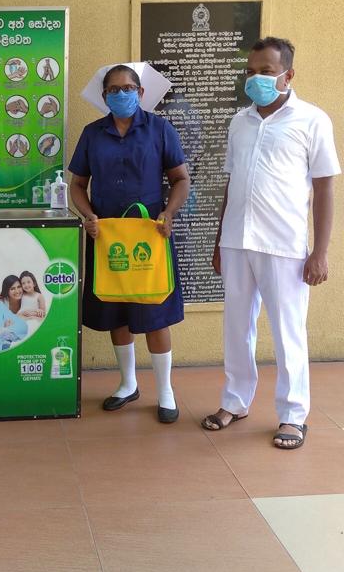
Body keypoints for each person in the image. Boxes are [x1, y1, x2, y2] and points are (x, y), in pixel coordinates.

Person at [201, 37, 341, 449]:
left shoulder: (312, 120)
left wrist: (320, 251)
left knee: (287, 331)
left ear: (288, 75)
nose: (256, 78)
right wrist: (218, 240)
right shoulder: (239, 121)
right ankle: (236, 401)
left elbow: (325, 189)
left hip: (284, 245)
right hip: (236, 241)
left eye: (265, 71)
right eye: (250, 71)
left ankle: (293, 415)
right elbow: (232, 182)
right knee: (236, 327)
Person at [69, 64, 190, 421]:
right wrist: (88, 216)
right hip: (108, 238)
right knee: (117, 311)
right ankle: (127, 384)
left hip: (149, 236)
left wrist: (168, 214)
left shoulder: (160, 129)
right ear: (103, 95)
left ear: (140, 92)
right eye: (113, 89)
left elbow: (181, 179)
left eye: (128, 88)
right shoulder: (93, 133)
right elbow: (77, 184)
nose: (121, 94)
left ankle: (165, 392)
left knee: (154, 313)